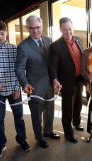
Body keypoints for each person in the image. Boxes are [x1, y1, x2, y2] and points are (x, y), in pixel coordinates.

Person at [0, 20, 30, 160]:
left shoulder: (15, 49)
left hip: (14, 90)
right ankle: (0, 144)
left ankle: (21, 139)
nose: (0, 37)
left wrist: (17, 88)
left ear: (7, 32)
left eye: (2, 34)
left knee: (19, 117)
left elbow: (19, 70)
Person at [15, 15, 60, 149]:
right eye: (32, 28)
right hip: (34, 85)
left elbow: (53, 62)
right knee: (36, 113)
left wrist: (55, 79)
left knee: (50, 109)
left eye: (38, 27)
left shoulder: (48, 40)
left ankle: (48, 131)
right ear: (27, 28)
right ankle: (39, 137)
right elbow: (19, 68)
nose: (35, 31)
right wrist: (24, 83)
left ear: (42, 26)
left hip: (49, 83)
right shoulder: (23, 46)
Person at [49, 17, 84, 143]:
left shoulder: (78, 40)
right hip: (66, 81)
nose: (68, 32)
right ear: (60, 30)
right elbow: (53, 66)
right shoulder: (55, 46)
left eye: (69, 29)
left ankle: (77, 122)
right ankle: (68, 132)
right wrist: (55, 80)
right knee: (68, 108)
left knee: (79, 103)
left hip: (79, 79)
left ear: (73, 27)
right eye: (65, 30)